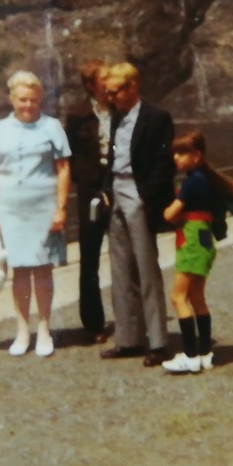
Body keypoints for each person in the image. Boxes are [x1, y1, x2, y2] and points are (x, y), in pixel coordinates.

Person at [0, 71, 72, 358]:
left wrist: (61, 208)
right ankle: (23, 330)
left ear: (40, 100)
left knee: (42, 268)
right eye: (22, 99)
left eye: (33, 100)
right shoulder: (1, 128)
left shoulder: (52, 126)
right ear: (12, 99)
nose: (28, 105)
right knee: (19, 270)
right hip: (11, 209)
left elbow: (63, 169)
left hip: (44, 208)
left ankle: (45, 330)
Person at [98, 61, 176, 367]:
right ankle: (128, 339)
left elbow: (163, 163)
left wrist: (146, 196)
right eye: (108, 92)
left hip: (138, 195)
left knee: (146, 267)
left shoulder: (158, 118)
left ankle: (158, 341)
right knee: (119, 270)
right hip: (116, 193)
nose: (110, 97)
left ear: (133, 87)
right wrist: (106, 190)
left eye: (115, 91)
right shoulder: (117, 118)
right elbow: (112, 158)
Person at [160, 131, 233, 374]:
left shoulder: (192, 182)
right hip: (205, 239)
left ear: (196, 156)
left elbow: (170, 214)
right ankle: (205, 352)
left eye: (182, 153)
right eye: (175, 152)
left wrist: (166, 210)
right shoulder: (206, 180)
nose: (176, 157)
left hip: (192, 239)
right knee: (196, 297)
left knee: (178, 297)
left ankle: (190, 355)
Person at [64, 60, 111, 344]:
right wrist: (86, 181)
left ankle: (132, 319)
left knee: (125, 255)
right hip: (90, 193)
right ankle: (93, 324)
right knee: (90, 257)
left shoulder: (121, 110)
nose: (111, 82)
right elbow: (68, 156)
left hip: (118, 188)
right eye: (105, 78)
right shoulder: (78, 115)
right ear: (91, 85)